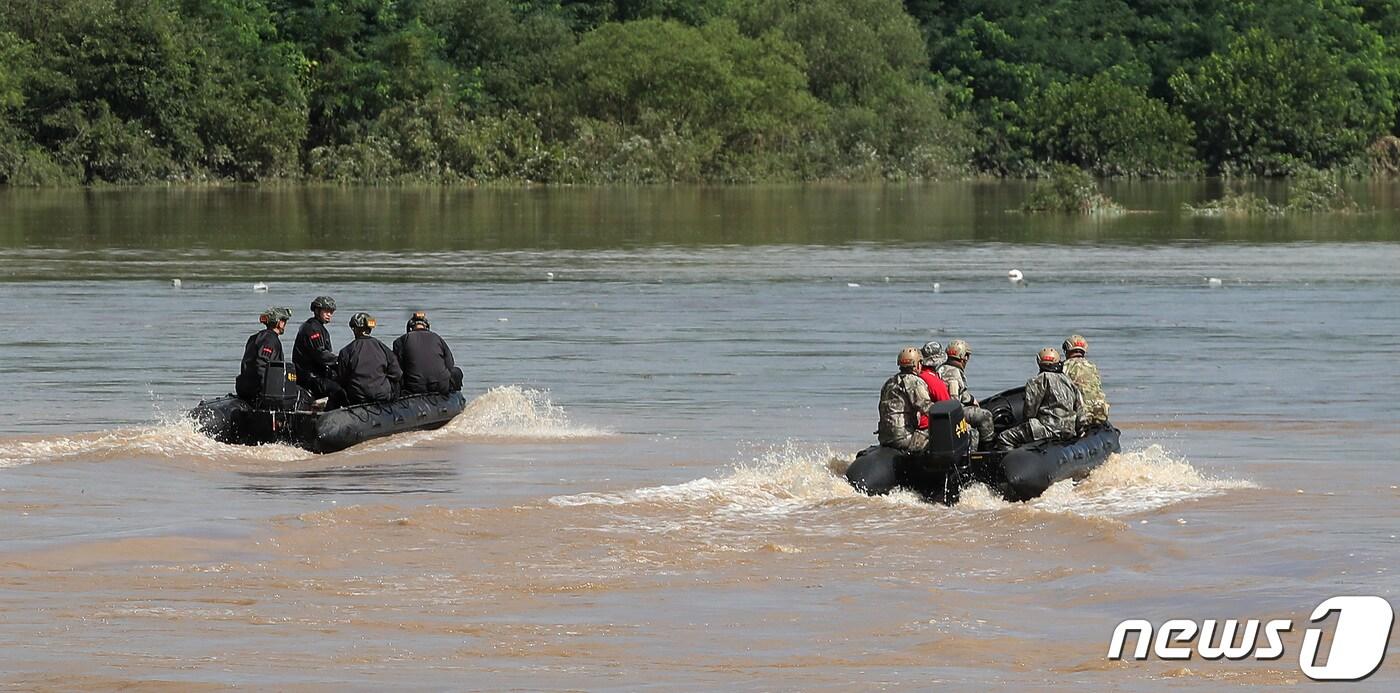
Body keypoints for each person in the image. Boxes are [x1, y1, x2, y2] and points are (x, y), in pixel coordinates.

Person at [995, 348, 1087, 451]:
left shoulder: (1038, 381)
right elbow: (1080, 411)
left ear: (1039, 362)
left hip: (1048, 429)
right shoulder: (1068, 381)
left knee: (1005, 438)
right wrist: (1079, 431)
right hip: (1068, 430)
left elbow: (1030, 412)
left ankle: (1009, 463)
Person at [937, 339, 996, 451]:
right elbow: (953, 401)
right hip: (953, 413)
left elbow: (962, 394)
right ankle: (988, 450)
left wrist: (971, 399)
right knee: (986, 415)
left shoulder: (941, 369)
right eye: (967, 355)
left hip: (942, 410)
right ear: (963, 356)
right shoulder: (954, 374)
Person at [333, 312, 402, 407]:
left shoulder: (346, 351)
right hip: (382, 396)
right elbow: (397, 373)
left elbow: (342, 379)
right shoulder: (383, 348)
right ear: (369, 329)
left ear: (354, 329)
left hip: (357, 397)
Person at [878, 347, 937, 452]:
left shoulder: (889, 383)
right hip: (904, 437)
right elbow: (927, 408)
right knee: (938, 433)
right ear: (917, 364)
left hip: (884, 437)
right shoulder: (915, 382)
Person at [392, 311, 463, 395]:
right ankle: (454, 397)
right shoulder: (438, 338)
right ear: (427, 326)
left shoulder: (400, 341)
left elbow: (396, 369)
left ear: (410, 328)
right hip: (440, 386)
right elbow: (450, 364)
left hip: (414, 387)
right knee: (456, 371)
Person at [236, 306, 292, 402]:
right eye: (283, 321)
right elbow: (261, 363)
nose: (285, 324)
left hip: (243, 387)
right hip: (257, 390)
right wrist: (268, 389)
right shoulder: (270, 340)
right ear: (278, 322)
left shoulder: (254, 337)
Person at [293, 296, 343, 401]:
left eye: (331, 312)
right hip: (310, 378)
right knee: (339, 391)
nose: (329, 314)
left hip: (318, 374)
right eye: (327, 311)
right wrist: (341, 360)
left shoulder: (318, 327)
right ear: (317, 311)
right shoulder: (312, 329)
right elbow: (321, 354)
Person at [1062, 334, 1110, 425]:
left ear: (1067, 349)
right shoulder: (1092, 367)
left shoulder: (1064, 367)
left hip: (1081, 416)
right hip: (1100, 413)